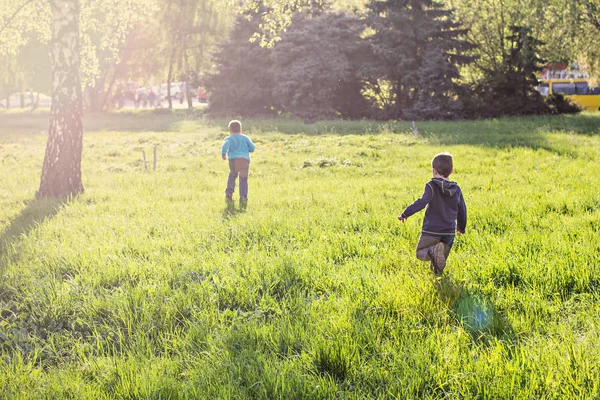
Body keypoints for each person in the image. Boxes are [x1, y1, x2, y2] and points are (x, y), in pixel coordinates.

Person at [398, 152, 467, 276]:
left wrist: (405, 213)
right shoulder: (456, 189)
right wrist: (461, 227)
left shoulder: (431, 186)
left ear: (434, 171)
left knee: (421, 253)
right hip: (448, 232)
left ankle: (433, 253)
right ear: (452, 171)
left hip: (432, 230)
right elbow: (462, 209)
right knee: (440, 258)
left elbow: (422, 202)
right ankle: (437, 277)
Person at [221, 120, 255, 208]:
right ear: (241, 130)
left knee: (232, 175)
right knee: (243, 179)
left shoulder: (229, 138)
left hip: (233, 160)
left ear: (230, 131)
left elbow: (226, 145)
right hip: (244, 160)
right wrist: (248, 150)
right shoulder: (245, 138)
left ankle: (229, 194)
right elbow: (252, 148)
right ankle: (243, 197)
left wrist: (224, 153)